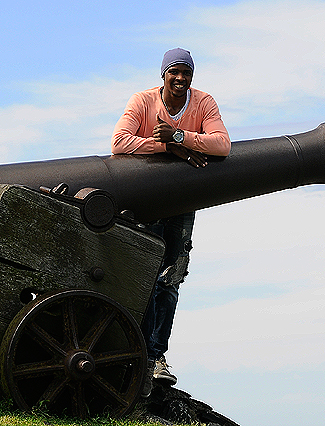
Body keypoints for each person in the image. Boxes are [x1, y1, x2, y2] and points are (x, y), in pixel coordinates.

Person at [111, 48, 230, 394]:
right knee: (143, 278)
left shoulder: (203, 103)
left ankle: (155, 357)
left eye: (186, 73)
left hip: (181, 205)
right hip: (146, 203)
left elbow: (221, 145)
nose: (180, 79)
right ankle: (139, 354)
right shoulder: (143, 101)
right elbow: (119, 142)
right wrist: (167, 149)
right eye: (174, 73)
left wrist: (179, 136)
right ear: (163, 74)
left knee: (170, 281)